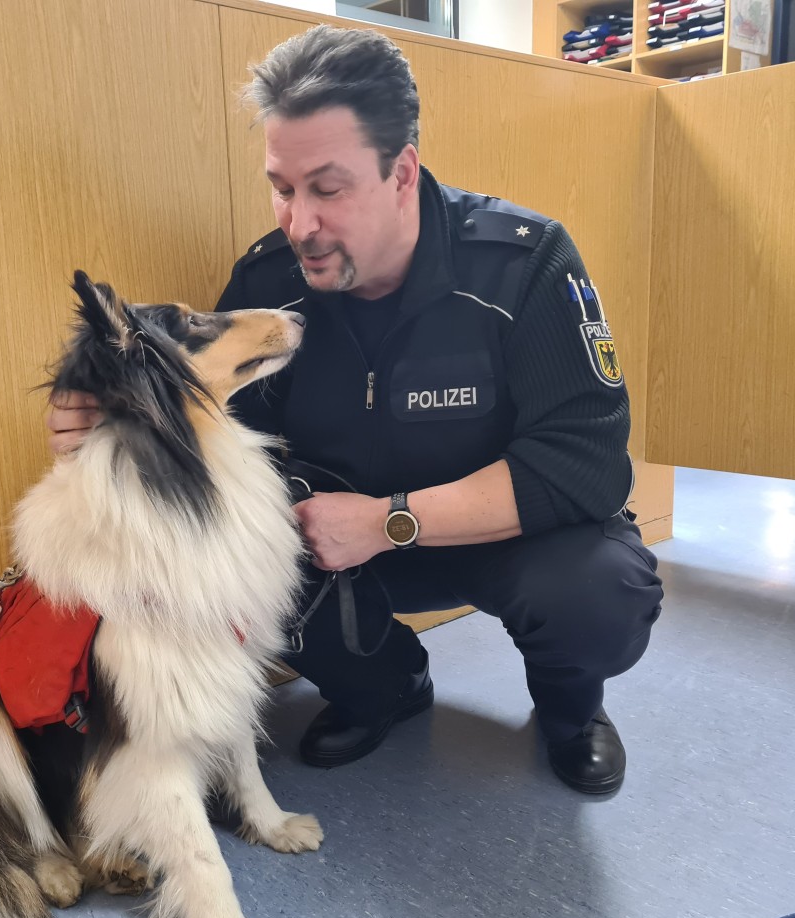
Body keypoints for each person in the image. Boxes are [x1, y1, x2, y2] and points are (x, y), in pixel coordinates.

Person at [48, 24, 663, 796]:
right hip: (339, 552)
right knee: (237, 555)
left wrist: (388, 519)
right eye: (282, 187)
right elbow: (202, 429)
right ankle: (386, 688)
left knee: (599, 593)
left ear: (402, 172)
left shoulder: (525, 263)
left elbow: (587, 465)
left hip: (506, 542)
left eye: (328, 189)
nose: (299, 223)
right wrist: (108, 422)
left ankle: (572, 712)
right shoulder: (267, 283)